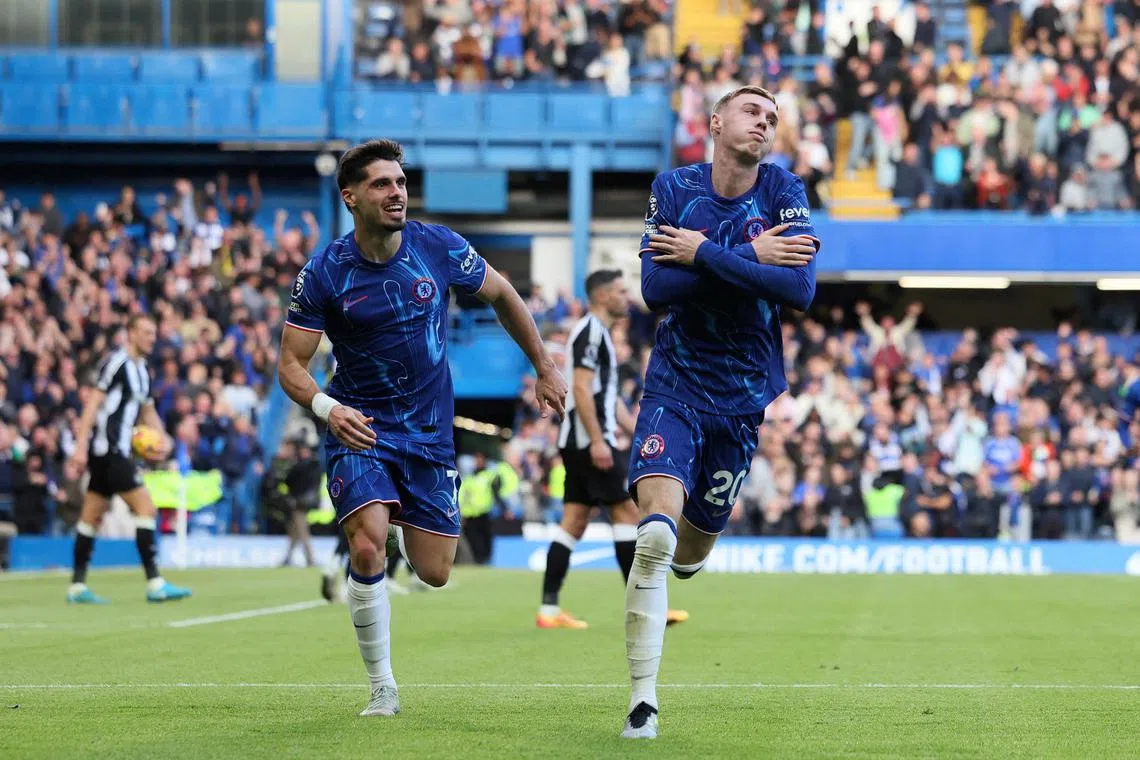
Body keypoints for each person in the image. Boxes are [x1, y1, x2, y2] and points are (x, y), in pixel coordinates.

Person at [277, 139, 566, 718]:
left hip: (430, 436)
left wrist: (544, 365)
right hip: (358, 426)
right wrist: (328, 409)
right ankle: (382, 685)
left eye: (401, 182)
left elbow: (504, 294)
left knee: (434, 571)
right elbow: (290, 363)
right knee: (366, 542)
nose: (397, 192)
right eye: (382, 184)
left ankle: (387, 526)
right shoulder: (324, 272)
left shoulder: (438, 246)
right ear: (351, 197)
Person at [620, 85, 819, 738]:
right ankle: (642, 704)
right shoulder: (674, 187)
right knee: (653, 536)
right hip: (673, 387)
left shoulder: (785, 191)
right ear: (715, 122)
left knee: (690, 549)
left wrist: (705, 252)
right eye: (752, 111)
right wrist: (747, 257)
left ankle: (688, 555)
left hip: (741, 399)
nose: (764, 122)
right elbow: (655, 289)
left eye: (772, 117)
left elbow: (798, 289)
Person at [537, 269, 687, 630]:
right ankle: (647, 607)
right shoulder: (590, 332)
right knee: (627, 515)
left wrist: (638, 433)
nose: (627, 296)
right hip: (590, 443)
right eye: (621, 291)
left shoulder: (598, 334)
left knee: (573, 523)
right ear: (602, 296)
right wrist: (600, 440)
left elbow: (608, 399)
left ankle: (549, 610)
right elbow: (583, 390)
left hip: (581, 441)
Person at [67, 315, 192, 604]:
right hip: (110, 451)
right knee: (145, 508)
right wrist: (80, 446)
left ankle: (76, 586)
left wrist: (165, 440)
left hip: (113, 453)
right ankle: (155, 582)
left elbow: (148, 412)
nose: (152, 337)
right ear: (131, 334)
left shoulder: (142, 372)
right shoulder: (117, 363)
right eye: (146, 332)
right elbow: (93, 403)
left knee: (89, 518)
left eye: (153, 333)